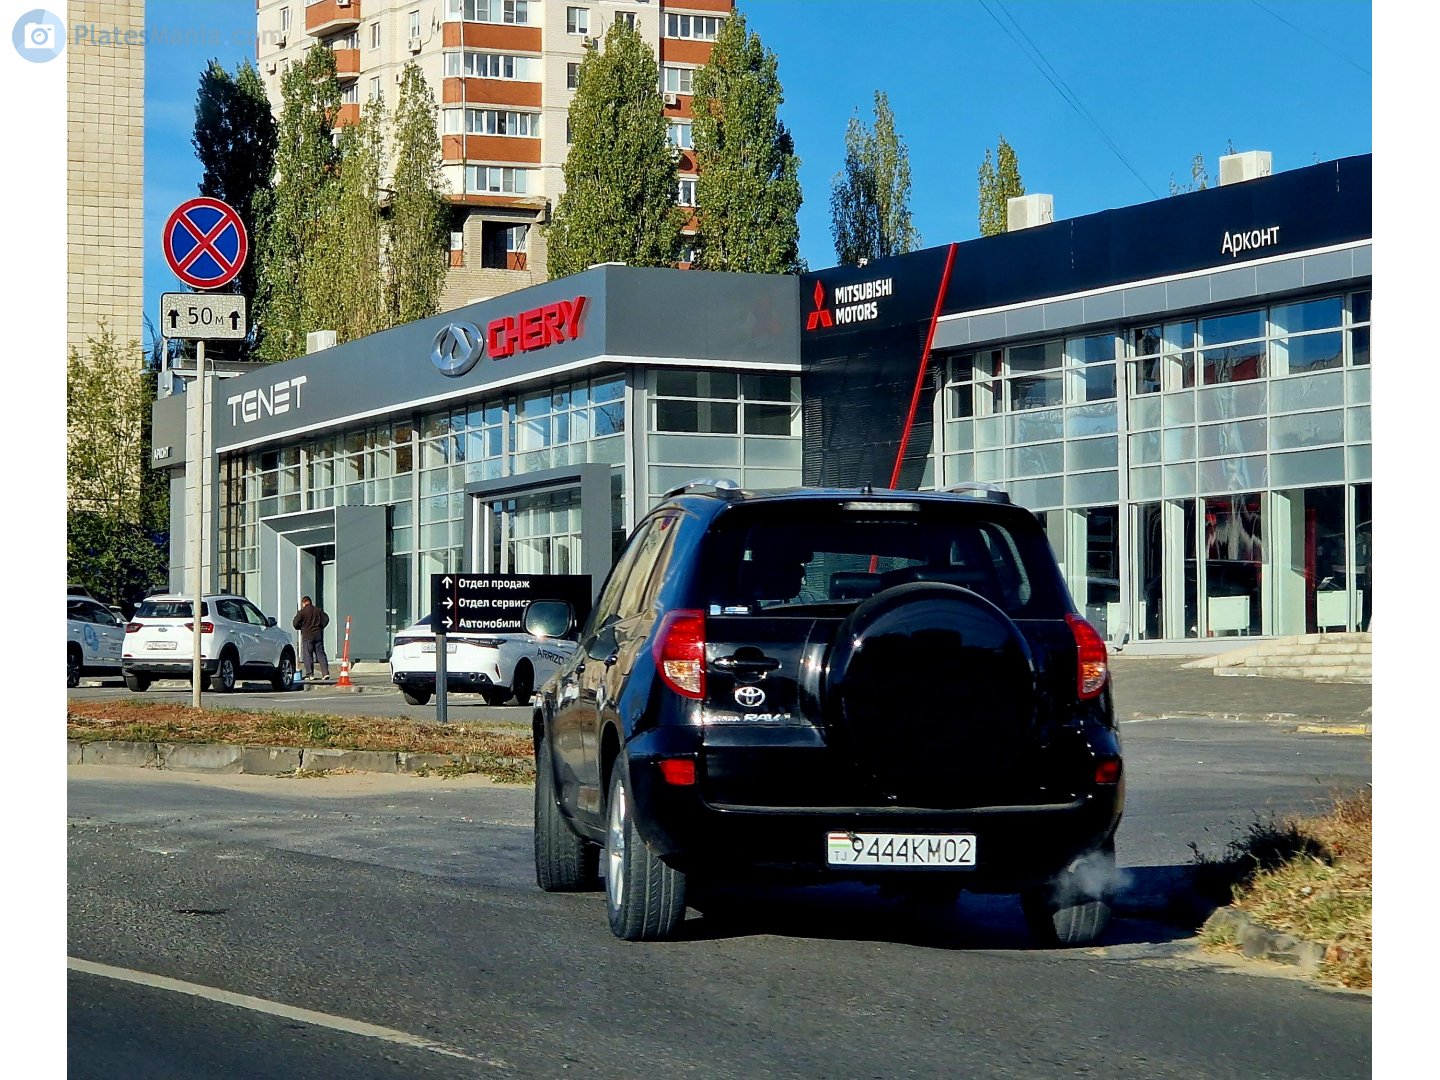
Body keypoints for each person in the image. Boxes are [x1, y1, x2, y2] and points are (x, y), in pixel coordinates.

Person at [292, 595, 331, 680]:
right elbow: (326, 618)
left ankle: (310, 674)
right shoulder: (318, 610)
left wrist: (300, 627)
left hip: (307, 635)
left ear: (304, 602)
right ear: (310, 601)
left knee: (308, 655)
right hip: (318, 635)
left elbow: (295, 623)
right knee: (321, 654)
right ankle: (325, 673)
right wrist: (321, 626)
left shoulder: (302, 612)